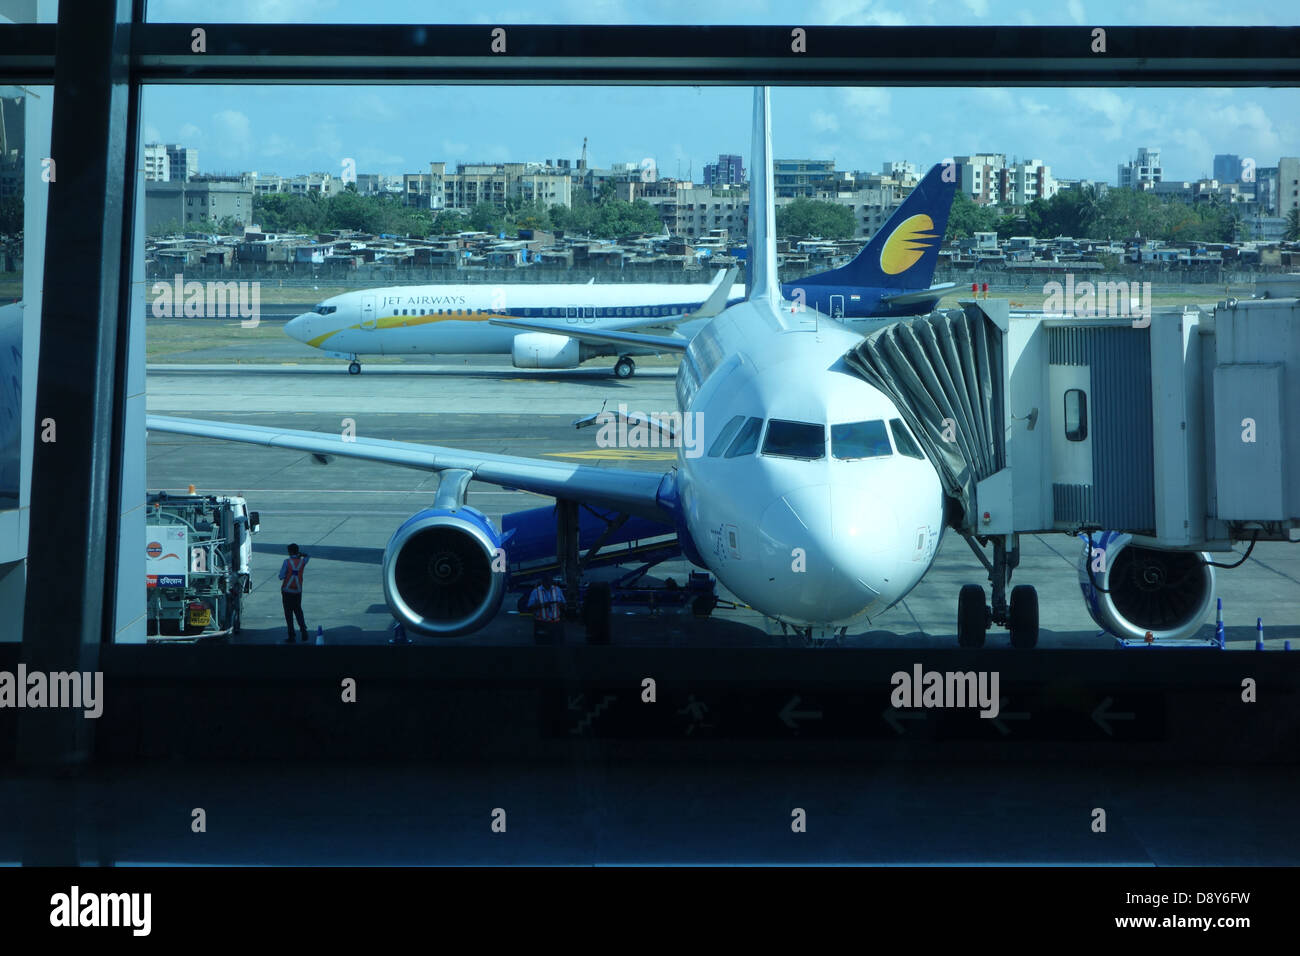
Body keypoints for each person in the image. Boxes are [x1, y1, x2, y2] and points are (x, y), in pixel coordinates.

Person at [278, 543, 310, 643]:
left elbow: (281, 576)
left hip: (287, 591)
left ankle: (291, 635)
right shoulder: (302, 562)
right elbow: (308, 556)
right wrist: (301, 554)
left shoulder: (287, 562)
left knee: (288, 614)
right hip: (297, 591)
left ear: (290, 552)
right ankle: (303, 629)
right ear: (297, 551)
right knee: (298, 610)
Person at [528, 575, 567, 642]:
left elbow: (564, 604)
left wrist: (561, 604)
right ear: (543, 582)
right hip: (541, 624)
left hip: (556, 624)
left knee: (557, 645)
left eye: (550, 582)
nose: (549, 584)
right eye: (547, 582)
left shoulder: (557, 590)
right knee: (542, 644)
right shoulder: (536, 591)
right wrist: (542, 605)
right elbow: (530, 607)